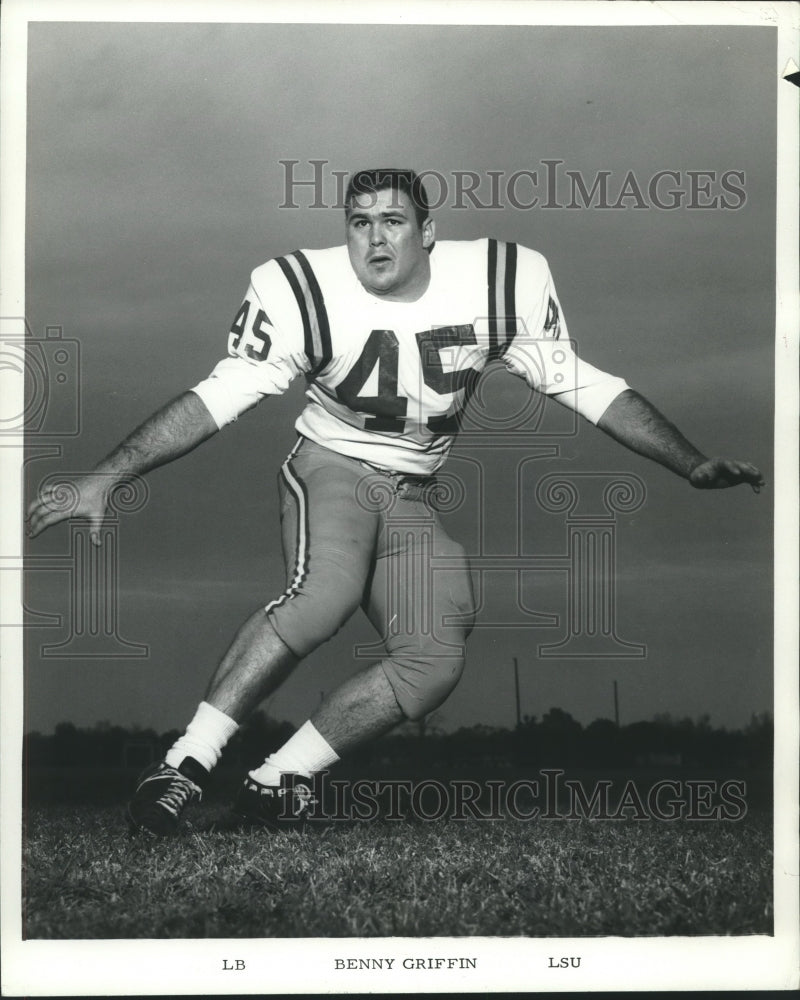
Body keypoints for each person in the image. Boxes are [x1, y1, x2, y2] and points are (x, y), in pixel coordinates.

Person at [26, 168, 764, 836]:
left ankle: (281, 779)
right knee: (323, 596)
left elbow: (587, 387)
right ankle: (185, 765)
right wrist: (108, 474)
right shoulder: (301, 289)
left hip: (410, 492)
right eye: (358, 221)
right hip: (330, 465)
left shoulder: (501, 280)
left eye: (393, 220)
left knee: (435, 658)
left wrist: (689, 460)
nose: (374, 237)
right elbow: (216, 399)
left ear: (428, 230)